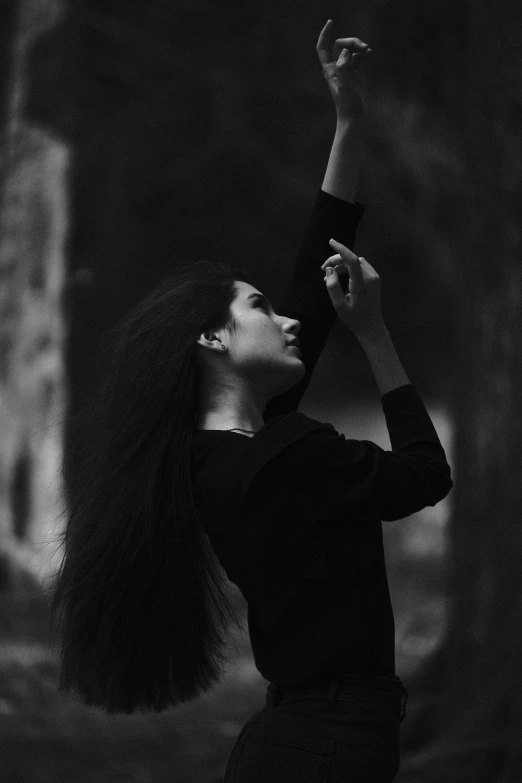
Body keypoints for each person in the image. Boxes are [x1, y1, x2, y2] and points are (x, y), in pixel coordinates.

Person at [48, 20, 452, 782]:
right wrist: (375, 335)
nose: (290, 315)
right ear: (212, 341)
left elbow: (313, 269)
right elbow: (425, 475)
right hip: (331, 745)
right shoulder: (283, 455)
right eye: (262, 308)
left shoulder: (219, 457)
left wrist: (349, 121)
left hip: (298, 736)